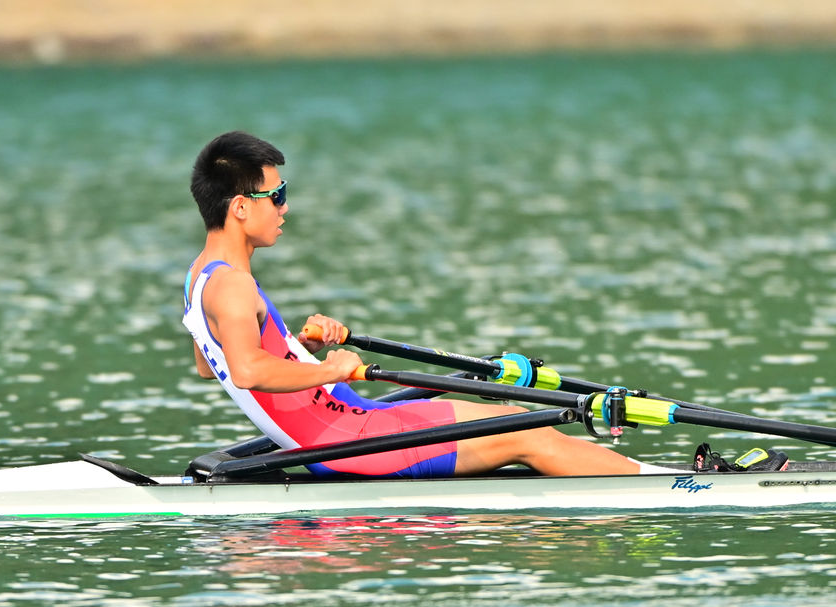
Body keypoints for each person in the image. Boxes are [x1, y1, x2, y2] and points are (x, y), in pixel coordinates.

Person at [182, 130, 665, 478]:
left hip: (345, 422)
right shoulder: (234, 286)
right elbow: (247, 370)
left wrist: (297, 349)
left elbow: (212, 365)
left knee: (513, 420)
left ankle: (645, 477)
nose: (285, 207)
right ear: (240, 207)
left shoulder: (200, 276)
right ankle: (666, 484)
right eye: (277, 195)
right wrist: (329, 369)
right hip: (349, 439)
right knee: (528, 432)